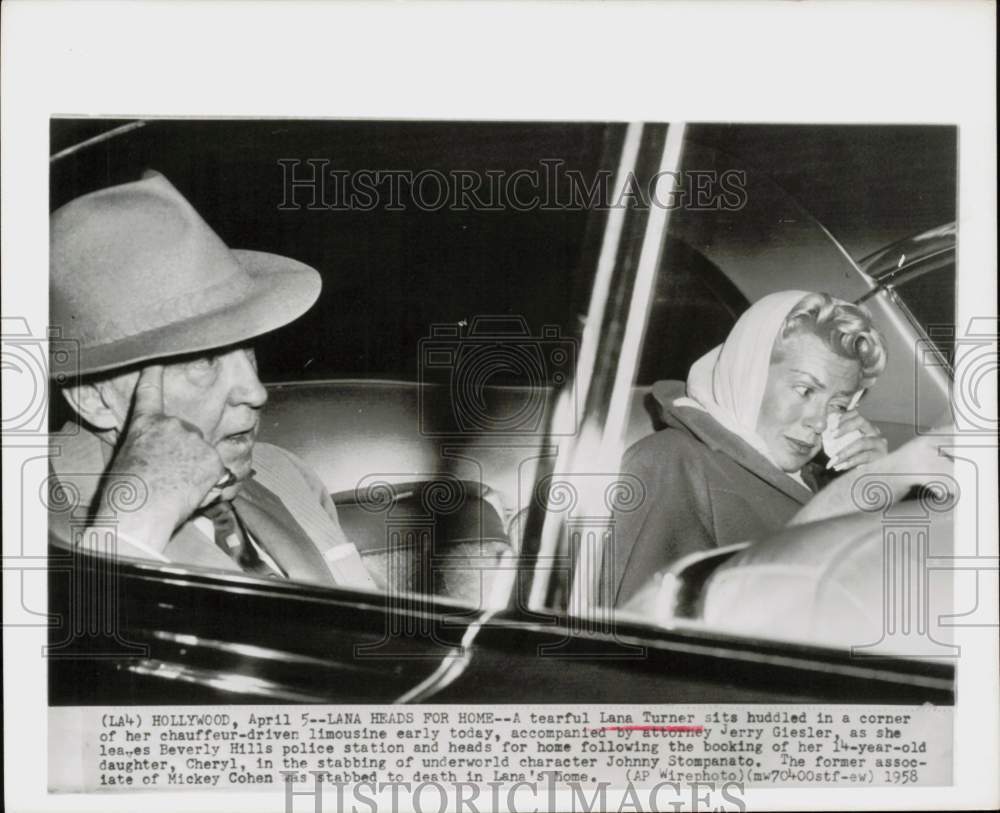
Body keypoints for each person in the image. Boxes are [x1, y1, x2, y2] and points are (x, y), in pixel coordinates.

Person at [48, 171, 376, 590]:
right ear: (94, 398)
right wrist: (133, 527)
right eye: (204, 359)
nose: (256, 392)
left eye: (249, 349)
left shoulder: (283, 472)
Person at [609, 290, 890, 606]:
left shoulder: (813, 481)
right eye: (805, 390)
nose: (821, 423)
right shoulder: (670, 462)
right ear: (750, 374)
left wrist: (880, 491)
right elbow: (643, 636)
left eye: (838, 405)